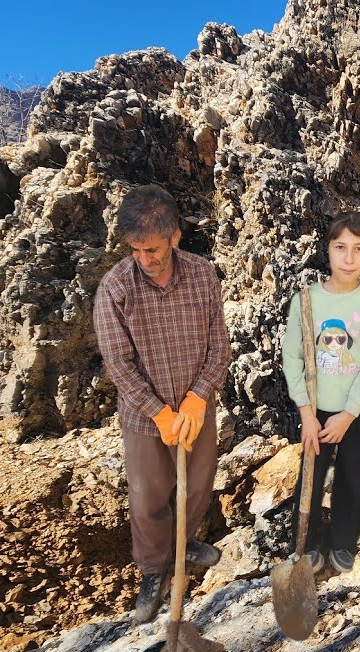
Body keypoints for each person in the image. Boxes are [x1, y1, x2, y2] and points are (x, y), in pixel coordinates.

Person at [93, 184, 230, 624]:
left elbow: (218, 347)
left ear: (175, 236)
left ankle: (183, 544)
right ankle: (153, 570)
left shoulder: (204, 274)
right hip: (145, 417)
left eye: (152, 248)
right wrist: (159, 411)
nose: (144, 259)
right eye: (135, 250)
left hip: (195, 409)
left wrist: (196, 399)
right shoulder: (115, 288)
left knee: (197, 483)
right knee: (149, 496)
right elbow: (118, 362)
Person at [281, 211, 360, 574]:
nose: (349, 258)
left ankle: (343, 541)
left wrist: (349, 413)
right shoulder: (306, 300)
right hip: (315, 410)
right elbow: (293, 356)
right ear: (327, 250)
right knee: (310, 478)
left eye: (359, 249)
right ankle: (306, 543)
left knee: (355, 476)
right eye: (341, 247)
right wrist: (306, 413)